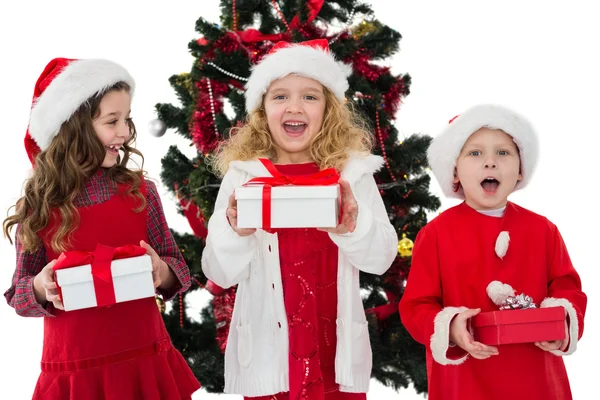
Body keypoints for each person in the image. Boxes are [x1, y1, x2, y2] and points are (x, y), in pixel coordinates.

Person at [201, 39, 398, 399]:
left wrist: (353, 226)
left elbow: (381, 257)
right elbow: (218, 272)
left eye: (310, 96)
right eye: (280, 97)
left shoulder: (352, 174)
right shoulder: (243, 176)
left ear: (328, 110)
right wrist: (237, 231)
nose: (295, 106)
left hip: (334, 353)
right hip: (267, 357)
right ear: (262, 110)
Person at [3, 57, 200, 399]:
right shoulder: (37, 207)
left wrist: (162, 272)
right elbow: (18, 295)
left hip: (143, 359)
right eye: (112, 121)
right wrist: (39, 287)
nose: (124, 131)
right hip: (76, 371)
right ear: (72, 127)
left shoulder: (142, 192)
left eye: (126, 120)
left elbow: (177, 268)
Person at [399, 104, 587, 400]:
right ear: (455, 171)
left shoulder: (543, 230)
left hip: (536, 377)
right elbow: (417, 305)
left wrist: (561, 321)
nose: (490, 162)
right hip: (465, 382)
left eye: (503, 152)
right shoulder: (435, 234)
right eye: (475, 153)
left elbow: (568, 288)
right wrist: (451, 327)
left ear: (520, 169)